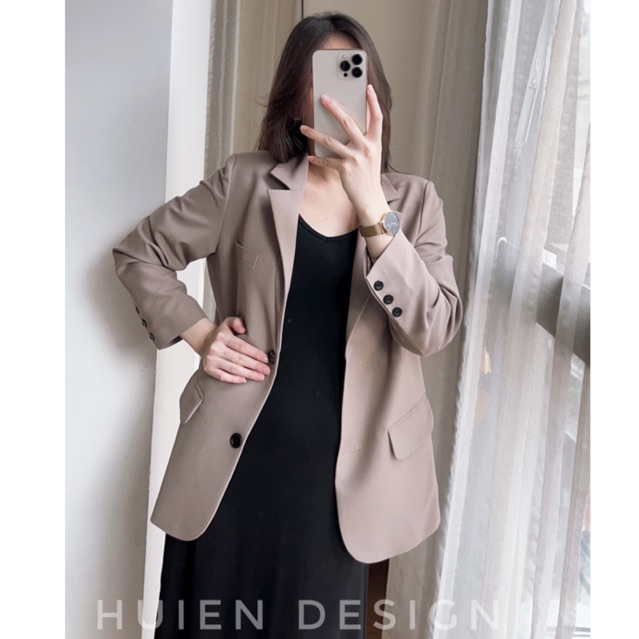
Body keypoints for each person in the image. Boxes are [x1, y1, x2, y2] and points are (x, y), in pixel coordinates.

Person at [112, 11, 463, 638]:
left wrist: (373, 209)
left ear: (373, 93)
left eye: (349, 76)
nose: (335, 97)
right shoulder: (245, 183)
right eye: (319, 78)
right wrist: (200, 334)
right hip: (231, 470)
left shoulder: (413, 203)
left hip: (343, 489)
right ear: (294, 95)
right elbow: (141, 253)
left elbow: (432, 328)